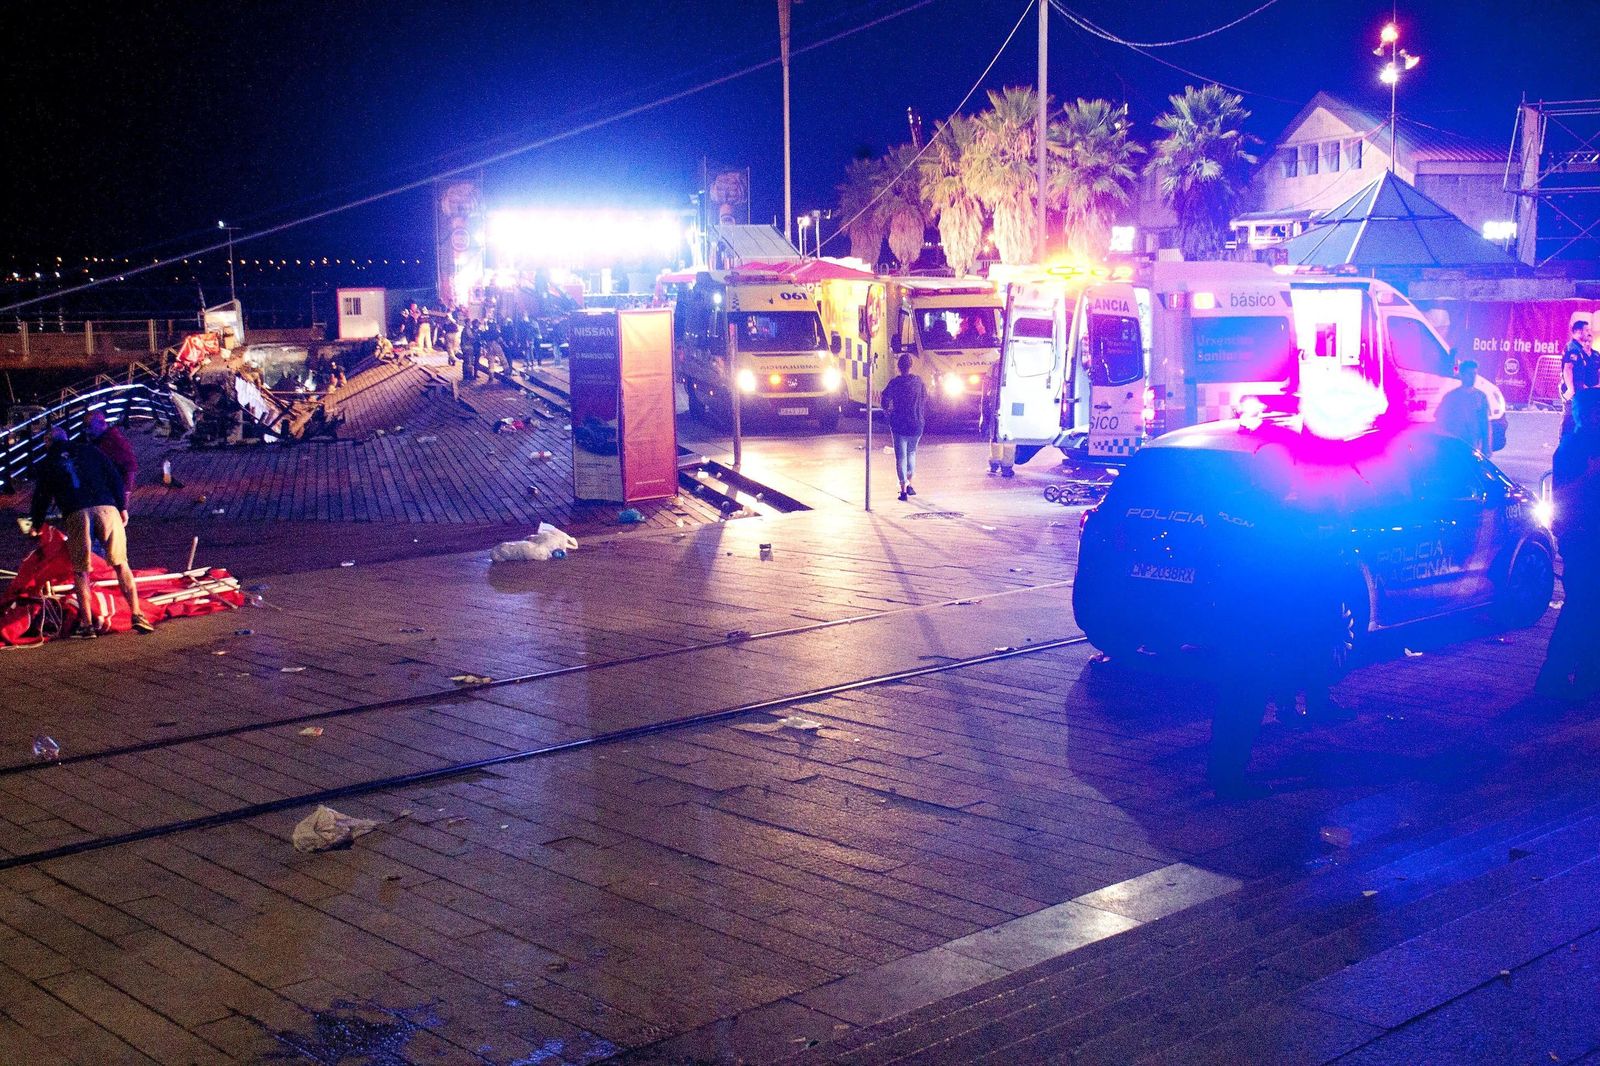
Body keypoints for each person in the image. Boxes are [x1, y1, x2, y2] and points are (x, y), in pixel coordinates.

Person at [29, 428, 153, 637]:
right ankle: (137, 614)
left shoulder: (48, 462)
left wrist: (37, 523)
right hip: (107, 508)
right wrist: (122, 506)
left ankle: (86, 625)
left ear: (48, 442)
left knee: (81, 571)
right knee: (121, 563)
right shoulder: (90, 450)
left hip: (76, 512)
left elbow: (42, 495)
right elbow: (114, 476)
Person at [1538, 387, 1600, 699]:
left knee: (1590, 609)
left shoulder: (1587, 442)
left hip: (1589, 536)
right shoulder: (1573, 448)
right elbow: (1562, 494)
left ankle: (1588, 674)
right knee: (1580, 606)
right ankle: (1555, 676)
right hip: (1581, 538)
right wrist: (1590, 475)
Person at [879, 353, 927, 502]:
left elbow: (884, 399)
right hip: (916, 423)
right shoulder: (919, 382)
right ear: (911, 365)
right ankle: (910, 484)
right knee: (911, 453)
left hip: (899, 424)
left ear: (899, 367)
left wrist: (888, 411)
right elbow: (925, 398)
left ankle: (903, 490)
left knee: (901, 457)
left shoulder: (895, 383)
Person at [1432, 359, 1491, 455]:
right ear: (1461, 375)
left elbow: (1485, 422)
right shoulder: (1451, 397)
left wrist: (1486, 445)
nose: (1473, 377)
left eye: (1474, 374)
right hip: (1455, 445)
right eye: (1469, 374)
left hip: (1473, 444)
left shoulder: (1481, 396)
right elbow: (1440, 420)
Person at [1561, 319, 1600, 439]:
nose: (1589, 333)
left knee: (1585, 419)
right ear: (1578, 332)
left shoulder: (1586, 351)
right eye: (1586, 330)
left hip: (1585, 392)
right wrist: (1571, 389)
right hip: (1575, 393)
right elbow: (1568, 368)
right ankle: (1565, 448)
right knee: (1570, 420)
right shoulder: (1572, 347)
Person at [84, 411, 136, 497]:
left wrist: (126, 491)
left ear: (101, 423)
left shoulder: (114, 441)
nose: (87, 431)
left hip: (114, 489)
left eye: (90, 426)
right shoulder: (97, 441)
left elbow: (130, 466)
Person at [980, 365, 1015, 477]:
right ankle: (1006, 468)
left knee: (995, 434)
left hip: (995, 402)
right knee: (1009, 436)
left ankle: (994, 465)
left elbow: (985, 385)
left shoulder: (995, 365)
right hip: (1011, 401)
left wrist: (984, 402)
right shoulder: (1017, 361)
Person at [462, 318, 481, 382]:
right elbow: (472, 338)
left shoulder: (466, 329)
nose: (470, 324)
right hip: (468, 348)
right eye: (469, 322)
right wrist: (476, 334)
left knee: (467, 362)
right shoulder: (467, 330)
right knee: (468, 362)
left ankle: (467, 376)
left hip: (467, 348)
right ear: (467, 323)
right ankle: (467, 376)